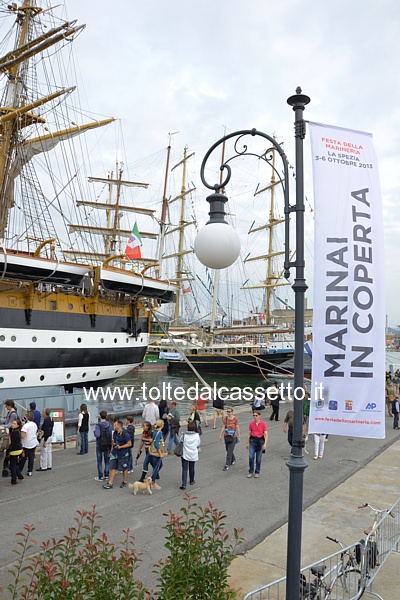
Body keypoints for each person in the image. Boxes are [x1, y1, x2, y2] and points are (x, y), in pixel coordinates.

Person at [102, 420, 132, 489]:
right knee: (112, 467)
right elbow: (114, 442)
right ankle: (110, 483)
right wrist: (112, 450)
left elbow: (129, 444)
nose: (113, 426)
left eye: (115, 425)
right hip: (115, 453)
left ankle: (124, 481)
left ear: (119, 426)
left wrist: (120, 447)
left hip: (123, 454)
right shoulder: (115, 433)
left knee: (124, 468)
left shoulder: (125, 434)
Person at [246, 410, 268, 478]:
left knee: (258, 458)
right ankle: (250, 471)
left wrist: (265, 444)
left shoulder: (263, 424)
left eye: (256, 415)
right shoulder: (251, 424)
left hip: (260, 441)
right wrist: (247, 442)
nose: (255, 417)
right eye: (254, 415)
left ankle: (257, 471)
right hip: (252, 441)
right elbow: (249, 433)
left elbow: (266, 434)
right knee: (251, 457)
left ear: (259, 416)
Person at [179, 420, 200, 490]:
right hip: (193, 453)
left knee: (184, 468)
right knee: (192, 467)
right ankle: (192, 480)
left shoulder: (184, 435)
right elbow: (198, 444)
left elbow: (180, 442)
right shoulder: (196, 435)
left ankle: (184, 484)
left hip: (185, 453)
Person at [93, 410, 113, 481]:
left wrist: (94, 432)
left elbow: (97, 435)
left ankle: (100, 476)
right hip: (107, 444)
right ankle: (106, 475)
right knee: (107, 460)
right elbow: (111, 435)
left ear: (100, 416)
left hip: (99, 444)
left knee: (99, 460)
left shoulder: (98, 425)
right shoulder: (109, 425)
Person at [219, 406, 240, 471]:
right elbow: (223, 427)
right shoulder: (225, 419)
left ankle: (227, 464)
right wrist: (220, 435)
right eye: (227, 411)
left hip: (233, 436)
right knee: (228, 449)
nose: (228, 413)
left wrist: (239, 436)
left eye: (229, 412)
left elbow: (237, 427)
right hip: (226, 436)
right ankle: (233, 459)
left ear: (232, 412)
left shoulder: (235, 419)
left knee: (230, 451)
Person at [148, 419, 166, 490]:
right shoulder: (159, 433)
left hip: (152, 451)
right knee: (157, 467)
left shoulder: (154, 431)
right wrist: (160, 453)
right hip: (156, 452)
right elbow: (156, 443)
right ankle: (152, 482)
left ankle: (152, 479)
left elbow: (153, 440)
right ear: (161, 425)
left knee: (158, 466)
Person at [19, 412, 38, 476]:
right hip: (33, 442)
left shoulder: (25, 426)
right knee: (31, 458)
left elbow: (22, 436)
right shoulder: (34, 424)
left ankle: (19, 470)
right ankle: (30, 471)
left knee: (23, 458)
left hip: (26, 443)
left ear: (26, 418)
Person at [8, 419, 24, 485]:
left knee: (12, 466)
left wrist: (8, 451)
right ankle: (20, 476)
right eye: (12, 423)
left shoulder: (15, 433)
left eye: (14, 424)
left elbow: (12, 443)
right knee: (14, 464)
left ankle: (13, 481)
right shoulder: (17, 431)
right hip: (19, 449)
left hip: (15, 450)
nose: (12, 424)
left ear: (18, 425)